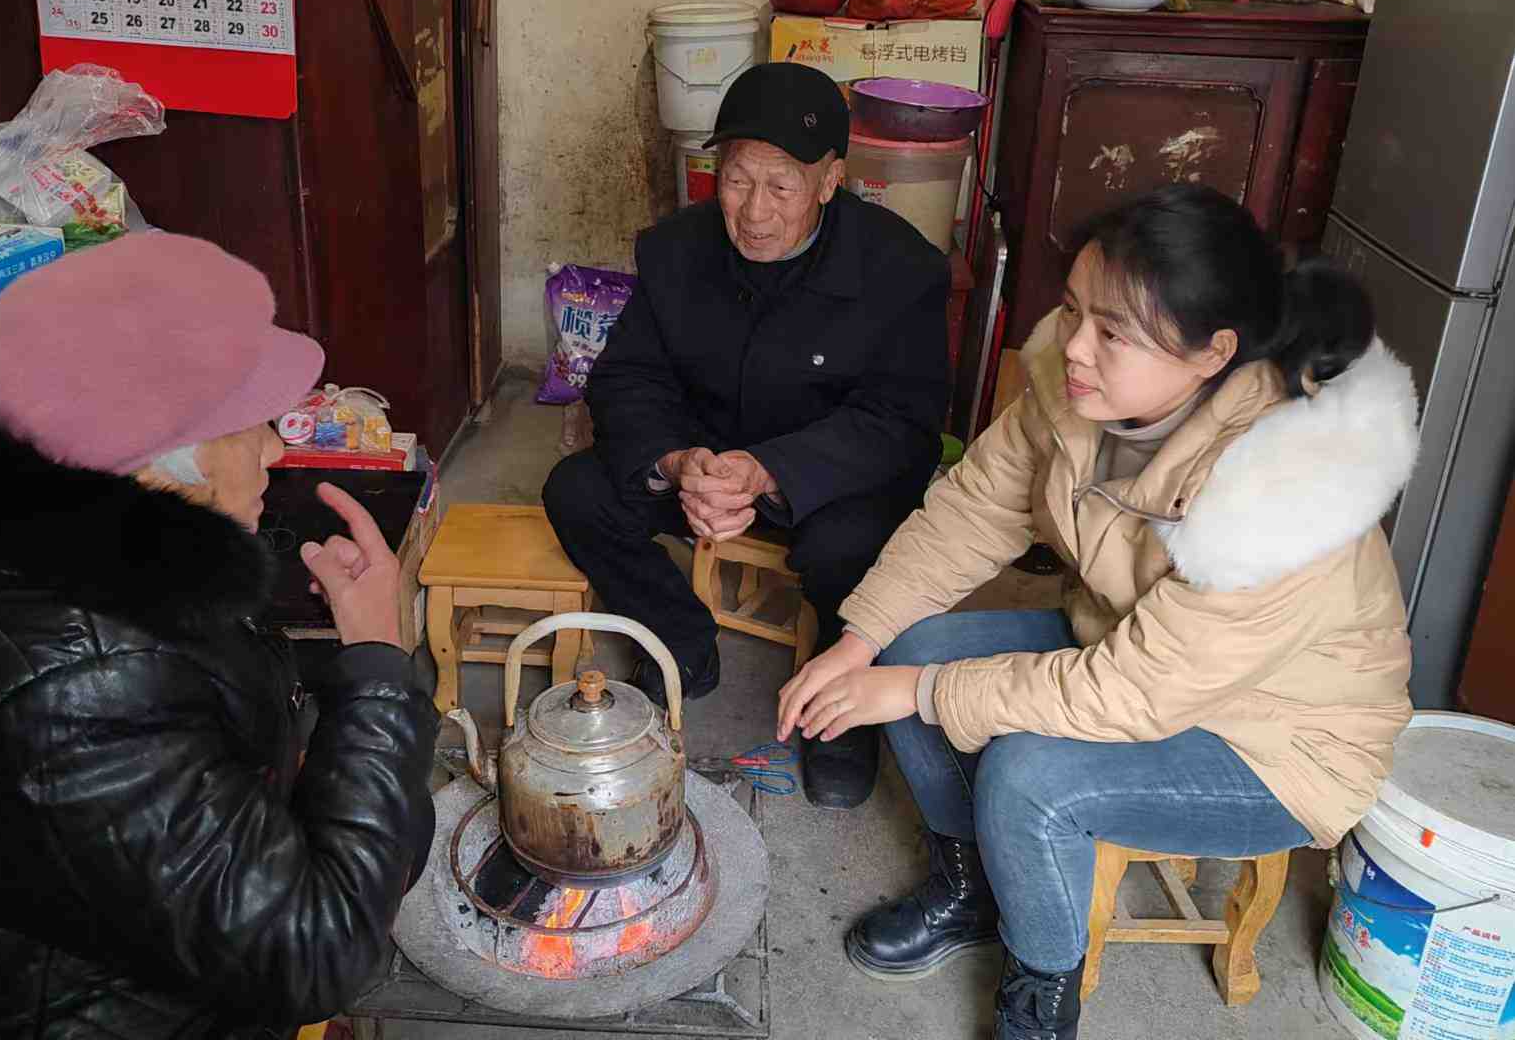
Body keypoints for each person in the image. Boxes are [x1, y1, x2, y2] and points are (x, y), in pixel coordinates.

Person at [777, 185, 1416, 1040]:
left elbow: (1136, 694)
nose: (1074, 345)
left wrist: (921, 693)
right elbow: (974, 509)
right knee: (912, 646)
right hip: (1128, 639)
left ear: (1212, 352)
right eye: (1075, 309)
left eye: (1113, 332)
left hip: (1278, 737)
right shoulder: (1072, 382)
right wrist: (860, 642)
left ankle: (1041, 997)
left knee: (1030, 774)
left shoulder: (1282, 485)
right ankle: (972, 890)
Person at [0, 234, 439, 1039]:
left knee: (385, 804)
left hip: (45, 937)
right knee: (393, 813)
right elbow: (317, 951)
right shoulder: (84, 679)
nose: (277, 448)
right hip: (53, 1009)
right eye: (251, 424)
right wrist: (377, 663)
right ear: (156, 466)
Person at [544, 62, 950, 809]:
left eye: (780, 187)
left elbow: (902, 422)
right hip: (706, 470)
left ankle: (840, 702)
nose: (754, 212)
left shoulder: (901, 269)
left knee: (854, 550)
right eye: (735, 181)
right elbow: (627, 378)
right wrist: (677, 461)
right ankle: (680, 639)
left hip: (825, 480)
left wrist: (771, 470)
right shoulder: (676, 249)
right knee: (578, 491)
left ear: (830, 181)